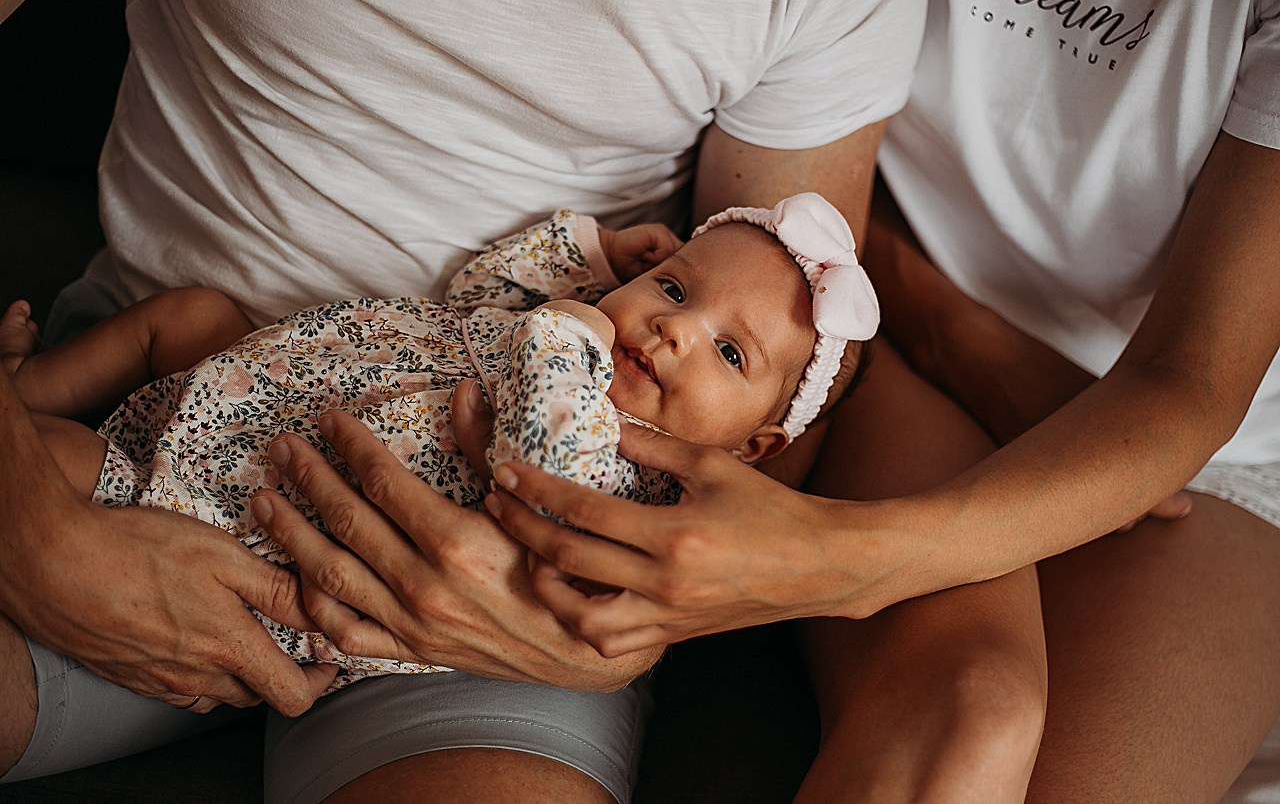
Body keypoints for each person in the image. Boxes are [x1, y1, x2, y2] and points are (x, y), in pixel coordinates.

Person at [409, 0, 1280, 799]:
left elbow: (1192, 378)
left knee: (983, 723)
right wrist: (951, 334)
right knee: (972, 709)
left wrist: (847, 561)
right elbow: (791, 195)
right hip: (860, 337)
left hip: (1181, 441)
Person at [1, 193, 877, 694]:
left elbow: (544, 476)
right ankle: (24, 382)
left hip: (236, 513)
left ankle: (35, 432)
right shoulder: (568, 325)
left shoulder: (627, 473)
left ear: (753, 447)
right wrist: (589, 253)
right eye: (674, 287)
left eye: (730, 352)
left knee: (63, 463)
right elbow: (476, 288)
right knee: (187, 314)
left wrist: (568, 332)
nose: (675, 329)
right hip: (262, 389)